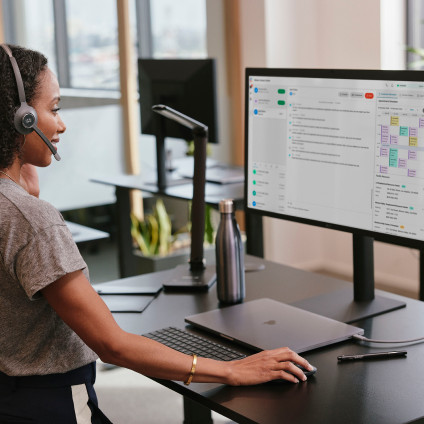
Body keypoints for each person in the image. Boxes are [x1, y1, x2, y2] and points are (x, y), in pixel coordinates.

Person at [0, 44, 315, 424]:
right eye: (54, 109)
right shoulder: (33, 221)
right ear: (23, 120)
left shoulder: (15, 209)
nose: (62, 124)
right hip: (48, 405)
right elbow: (112, 345)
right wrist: (233, 369)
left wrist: (20, 178)